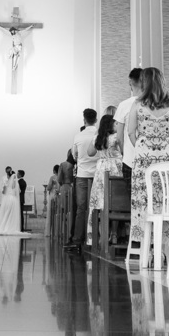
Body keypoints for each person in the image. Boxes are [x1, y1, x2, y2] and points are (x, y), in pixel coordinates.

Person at [126, 67, 169, 261]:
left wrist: (143, 146)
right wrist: (165, 148)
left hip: (143, 159)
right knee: (165, 201)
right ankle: (165, 249)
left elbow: (131, 131)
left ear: (145, 82)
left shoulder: (138, 104)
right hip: (165, 159)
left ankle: (146, 249)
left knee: (142, 201)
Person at [66, 108, 100, 253]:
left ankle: (77, 240)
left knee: (81, 208)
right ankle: (97, 239)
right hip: (98, 175)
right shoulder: (100, 134)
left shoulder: (78, 136)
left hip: (82, 175)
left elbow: (74, 156)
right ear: (96, 119)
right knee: (98, 207)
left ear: (84, 120)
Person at [87, 114, 122, 221]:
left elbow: (90, 152)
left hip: (101, 168)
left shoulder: (98, 138)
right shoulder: (116, 137)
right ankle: (115, 233)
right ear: (110, 125)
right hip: (115, 167)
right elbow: (124, 151)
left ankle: (102, 230)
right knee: (116, 200)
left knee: (101, 199)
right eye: (115, 123)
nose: (117, 125)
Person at [113, 68, 143, 180]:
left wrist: (123, 152)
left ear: (130, 83)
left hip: (130, 159)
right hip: (150, 158)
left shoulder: (124, 105)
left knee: (131, 196)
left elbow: (119, 137)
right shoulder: (153, 104)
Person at [0, 167, 25, 234]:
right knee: (12, 214)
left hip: (7, 199)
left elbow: (4, 192)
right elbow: (18, 192)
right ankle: (11, 226)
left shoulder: (7, 184)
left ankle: (4, 226)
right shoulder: (16, 184)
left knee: (6, 213)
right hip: (13, 199)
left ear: (9, 177)